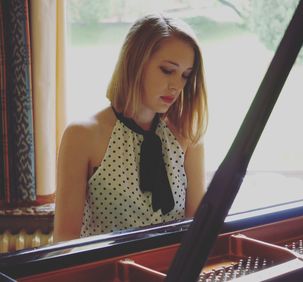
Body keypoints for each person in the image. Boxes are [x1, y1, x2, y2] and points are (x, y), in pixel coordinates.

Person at [53, 13, 208, 242]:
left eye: (185, 75)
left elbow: (197, 232)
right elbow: (65, 239)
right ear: (135, 62)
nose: (176, 86)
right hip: (106, 275)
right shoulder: (82, 135)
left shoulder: (187, 135)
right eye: (167, 70)